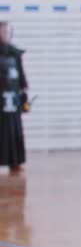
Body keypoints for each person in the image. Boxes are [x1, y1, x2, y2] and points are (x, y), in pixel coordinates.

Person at [0, 21, 28, 176]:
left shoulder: (14, 53)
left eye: (6, 31)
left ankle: (15, 162)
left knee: (14, 130)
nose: (4, 34)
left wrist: (24, 93)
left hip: (13, 99)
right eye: (2, 31)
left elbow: (21, 75)